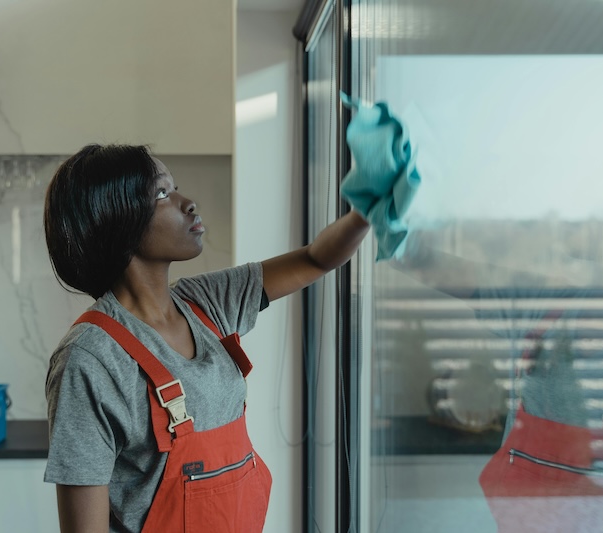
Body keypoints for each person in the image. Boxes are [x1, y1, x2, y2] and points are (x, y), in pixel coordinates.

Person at [42, 143, 369, 533]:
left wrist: (367, 210)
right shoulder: (89, 359)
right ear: (118, 219)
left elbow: (317, 258)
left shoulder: (205, 303)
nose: (188, 202)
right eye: (162, 193)